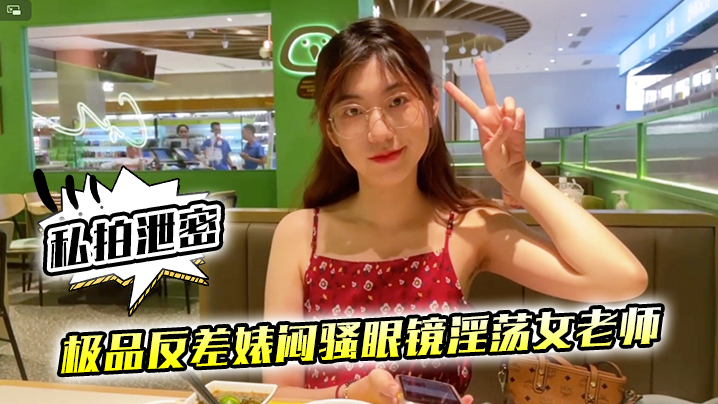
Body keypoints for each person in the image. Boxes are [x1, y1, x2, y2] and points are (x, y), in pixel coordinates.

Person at [263, 17, 648, 404]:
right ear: (331, 129)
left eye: (397, 101)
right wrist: (351, 395)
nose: (379, 132)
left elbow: (621, 279)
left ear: (432, 103)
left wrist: (516, 175)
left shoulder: (467, 228)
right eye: (352, 111)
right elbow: (276, 393)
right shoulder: (300, 234)